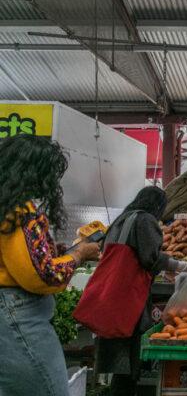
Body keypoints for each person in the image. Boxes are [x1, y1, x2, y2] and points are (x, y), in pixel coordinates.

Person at [0, 135, 101, 396]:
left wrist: (50, 253)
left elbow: (19, 259)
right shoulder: (19, 210)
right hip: (17, 314)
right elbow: (42, 276)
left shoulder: (4, 205)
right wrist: (79, 254)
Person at [95, 186, 187, 396]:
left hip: (111, 294)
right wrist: (184, 266)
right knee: (130, 355)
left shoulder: (122, 219)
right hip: (128, 297)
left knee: (119, 353)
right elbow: (150, 257)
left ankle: (118, 389)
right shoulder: (145, 220)